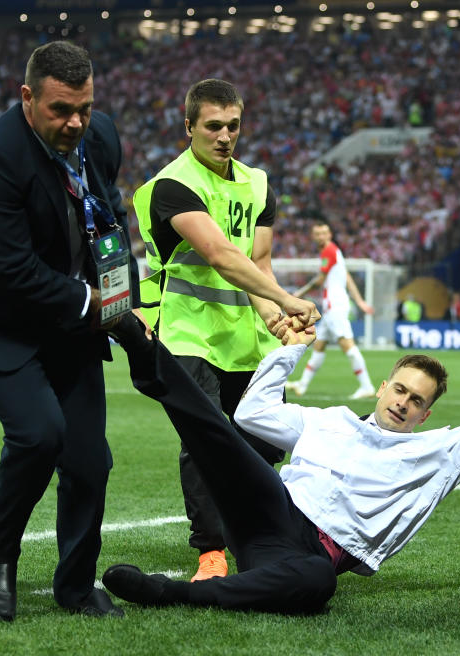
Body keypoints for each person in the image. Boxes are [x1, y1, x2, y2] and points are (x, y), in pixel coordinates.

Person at [98, 309, 460, 614]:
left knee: (319, 582)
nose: (404, 403)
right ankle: (141, 346)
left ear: (426, 414)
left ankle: (170, 593)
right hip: (272, 508)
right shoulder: (330, 421)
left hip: (295, 555)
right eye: (400, 390)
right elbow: (253, 413)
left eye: (417, 400)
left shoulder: (437, 453)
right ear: (383, 388)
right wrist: (291, 349)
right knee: (219, 432)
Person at [0, 41, 142, 620]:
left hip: (71, 320)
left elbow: (110, 217)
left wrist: (126, 299)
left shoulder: (100, 137)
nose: (75, 122)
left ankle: (75, 586)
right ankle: (0, 556)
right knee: (40, 433)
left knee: (90, 460)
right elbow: (13, 275)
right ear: (27, 98)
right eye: (60, 110)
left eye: (85, 108)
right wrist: (98, 304)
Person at [132, 78, 319, 583]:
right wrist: (287, 299)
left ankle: (257, 534)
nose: (225, 135)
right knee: (205, 438)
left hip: (245, 337)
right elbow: (218, 254)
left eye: (233, 125)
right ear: (188, 125)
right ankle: (211, 550)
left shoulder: (258, 185)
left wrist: (277, 319)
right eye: (213, 125)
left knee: (261, 439)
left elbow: (258, 262)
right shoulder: (172, 185)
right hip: (187, 333)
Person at [285, 221, 376, 399]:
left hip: (335, 306)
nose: (321, 237)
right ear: (313, 236)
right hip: (331, 307)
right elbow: (348, 278)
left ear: (329, 235)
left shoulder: (329, 251)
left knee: (347, 345)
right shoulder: (335, 252)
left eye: (324, 233)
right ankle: (302, 385)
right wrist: (360, 301)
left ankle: (367, 386)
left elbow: (320, 279)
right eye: (317, 234)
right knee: (318, 346)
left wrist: (297, 295)